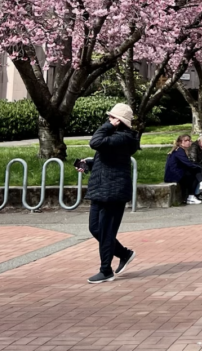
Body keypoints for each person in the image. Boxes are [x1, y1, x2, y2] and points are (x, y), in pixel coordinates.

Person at [80, 103, 140, 284]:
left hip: (114, 191)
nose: (108, 120)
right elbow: (108, 159)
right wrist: (88, 164)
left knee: (106, 231)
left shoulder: (123, 137)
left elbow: (95, 142)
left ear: (119, 121)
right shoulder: (114, 137)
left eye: (112, 118)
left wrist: (108, 126)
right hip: (101, 187)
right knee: (95, 228)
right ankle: (124, 253)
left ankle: (106, 270)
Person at [165, 135, 202, 205]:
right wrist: (200, 167)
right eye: (186, 141)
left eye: (189, 140)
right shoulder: (179, 150)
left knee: (196, 170)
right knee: (195, 171)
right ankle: (195, 192)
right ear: (180, 143)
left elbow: (189, 163)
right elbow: (187, 163)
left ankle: (194, 193)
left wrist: (200, 166)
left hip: (177, 172)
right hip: (173, 175)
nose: (189, 142)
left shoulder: (182, 150)